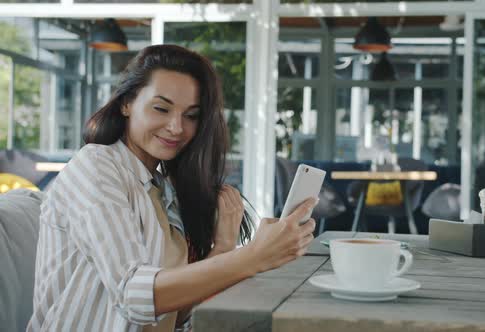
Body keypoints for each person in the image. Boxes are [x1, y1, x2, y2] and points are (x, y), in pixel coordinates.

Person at [27, 45, 317, 331]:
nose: (177, 127)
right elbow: (133, 294)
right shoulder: (96, 167)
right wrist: (253, 256)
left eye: (191, 115)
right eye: (161, 108)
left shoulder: (164, 189)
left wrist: (225, 246)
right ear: (127, 103)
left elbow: (174, 316)